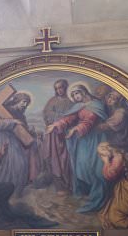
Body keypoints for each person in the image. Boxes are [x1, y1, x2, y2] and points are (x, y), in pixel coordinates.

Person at [46, 83, 109, 213]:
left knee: (96, 169)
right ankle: (84, 192)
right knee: (80, 167)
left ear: (84, 92)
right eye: (73, 94)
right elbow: (69, 118)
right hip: (83, 141)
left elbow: (89, 121)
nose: (75, 96)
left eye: (77, 93)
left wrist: (76, 128)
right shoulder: (79, 106)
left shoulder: (96, 105)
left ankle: (96, 197)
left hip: (96, 139)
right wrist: (56, 125)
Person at [0, 92, 33, 199]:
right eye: (24, 102)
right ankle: (2, 189)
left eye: (27, 103)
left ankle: (16, 191)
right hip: (3, 139)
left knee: (22, 163)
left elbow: (24, 129)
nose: (25, 105)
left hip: (14, 141)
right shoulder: (4, 109)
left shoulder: (21, 115)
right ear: (17, 100)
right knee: (13, 164)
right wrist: (13, 121)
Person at [97, 142, 128, 229]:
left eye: (102, 154)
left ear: (107, 151)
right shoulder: (121, 152)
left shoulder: (118, 158)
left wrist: (106, 161)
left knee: (114, 218)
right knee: (109, 211)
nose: (101, 156)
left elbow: (109, 175)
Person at [38, 79, 73, 193]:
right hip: (53, 135)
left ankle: (68, 185)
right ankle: (59, 187)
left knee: (65, 160)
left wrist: (62, 120)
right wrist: (59, 118)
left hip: (66, 134)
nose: (59, 90)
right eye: (57, 88)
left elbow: (72, 117)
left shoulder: (70, 102)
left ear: (65, 87)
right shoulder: (52, 100)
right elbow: (46, 114)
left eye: (61, 87)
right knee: (54, 159)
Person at [98, 89, 128, 154]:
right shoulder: (112, 108)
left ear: (119, 101)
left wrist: (96, 127)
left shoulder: (121, 111)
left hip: (124, 142)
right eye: (109, 97)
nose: (110, 100)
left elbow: (108, 125)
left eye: (114, 99)